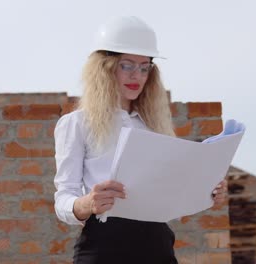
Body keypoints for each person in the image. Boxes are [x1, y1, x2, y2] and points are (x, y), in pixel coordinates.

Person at [53, 16, 228, 264]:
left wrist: (208, 192)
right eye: (127, 65)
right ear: (104, 67)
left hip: (157, 245)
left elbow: (171, 192)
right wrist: (87, 203)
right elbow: (63, 200)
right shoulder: (77, 124)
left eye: (145, 67)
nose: (137, 75)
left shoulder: (153, 125)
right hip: (104, 246)